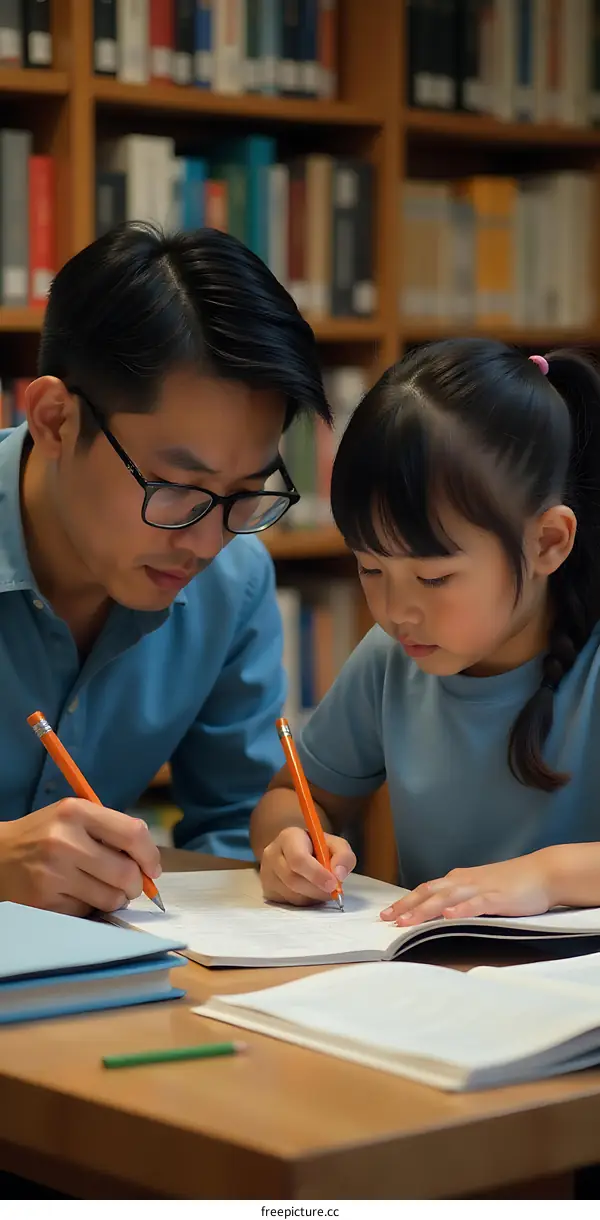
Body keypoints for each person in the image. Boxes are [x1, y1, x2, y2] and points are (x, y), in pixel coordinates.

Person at [0, 221, 329, 917]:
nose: (207, 543)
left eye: (245, 494)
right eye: (177, 487)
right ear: (55, 420)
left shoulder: (234, 583)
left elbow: (232, 827)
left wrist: (284, 857)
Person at [252, 339, 600, 926]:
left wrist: (546, 877)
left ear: (547, 542)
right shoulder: (392, 658)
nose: (396, 612)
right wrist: (291, 843)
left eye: (434, 577)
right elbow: (292, 797)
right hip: (435, 970)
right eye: (370, 568)